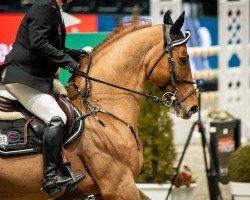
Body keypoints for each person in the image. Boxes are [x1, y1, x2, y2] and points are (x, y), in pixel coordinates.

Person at [1, 0, 85, 198]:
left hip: (36, 79)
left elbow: (55, 46)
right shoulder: (43, 7)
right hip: (23, 77)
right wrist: (69, 64)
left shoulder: (55, 9)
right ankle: (50, 178)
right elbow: (39, 43)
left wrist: (76, 55)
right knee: (57, 118)